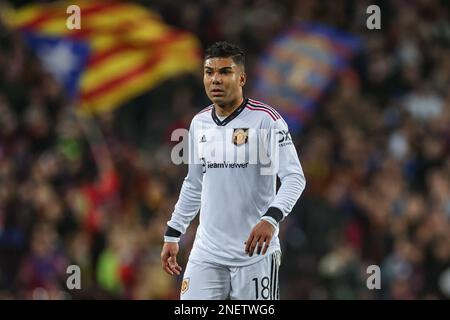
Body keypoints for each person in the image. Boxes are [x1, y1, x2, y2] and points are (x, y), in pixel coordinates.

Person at [160, 41, 306, 300]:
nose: (215, 79)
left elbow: (294, 178)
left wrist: (271, 219)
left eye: (224, 72)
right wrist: (173, 232)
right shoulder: (199, 123)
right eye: (209, 72)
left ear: (241, 78)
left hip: (254, 254)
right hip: (207, 253)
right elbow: (194, 184)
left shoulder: (266, 120)